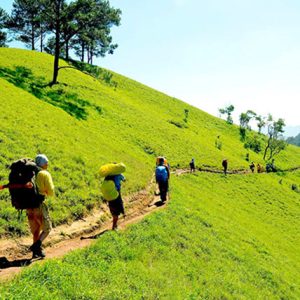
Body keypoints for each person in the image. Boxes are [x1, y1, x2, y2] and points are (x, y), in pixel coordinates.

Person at [28, 154, 54, 258]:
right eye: (46, 162)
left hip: (29, 205)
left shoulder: (31, 173)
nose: (47, 164)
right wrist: (46, 192)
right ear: (42, 163)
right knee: (47, 228)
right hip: (39, 205)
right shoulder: (44, 174)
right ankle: (36, 246)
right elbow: (51, 191)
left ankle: (36, 252)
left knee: (35, 230)